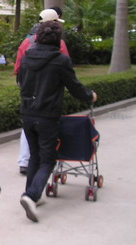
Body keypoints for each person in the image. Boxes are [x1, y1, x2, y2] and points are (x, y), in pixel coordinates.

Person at [17, 20, 97, 223]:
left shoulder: (26, 58)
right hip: (47, 116)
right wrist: (90, 96)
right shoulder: (61, 61)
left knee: (35, 155)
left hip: (27, 113)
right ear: (58, 40)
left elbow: (21, 83)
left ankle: (32, 195)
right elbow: (75, 87)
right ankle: (31, 195)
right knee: (48, 159)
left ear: (38, 37)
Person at [14, 7, 70, 175]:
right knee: (46, 127)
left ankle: (25, 161)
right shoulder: (59, 43)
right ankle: (45, 162)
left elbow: (18, 68)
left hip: (28, 90)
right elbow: (66, 65)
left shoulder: (26, 42)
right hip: (48, 91)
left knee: (28, 125)